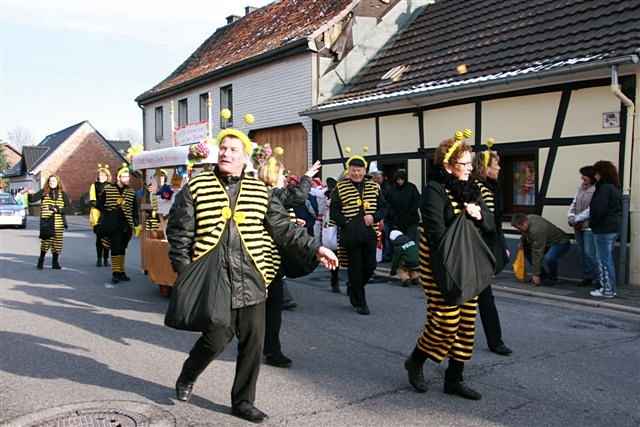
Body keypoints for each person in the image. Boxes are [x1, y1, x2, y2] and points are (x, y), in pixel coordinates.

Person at [166, 129, 337, 423]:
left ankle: (243, 401)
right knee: (217, 336)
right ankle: (189, 373)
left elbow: (283, 228)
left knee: (253, 342)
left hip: (252, 274)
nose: (226, 153)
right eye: (223, 148)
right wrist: (186, 271)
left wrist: (317, 247)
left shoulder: (260, 190)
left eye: (233, 149)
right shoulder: (196, 186)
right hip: (213, 275)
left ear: (244, 156)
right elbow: (180, 232)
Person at [404, 131, 494, 400]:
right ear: (447, 165)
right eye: (464, 164)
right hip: (438, 264)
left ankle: (454, 379)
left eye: (470, 164)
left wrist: (478, 216)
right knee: (446, 321)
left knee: (466, 322)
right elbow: (435, 232)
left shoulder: (473, 188)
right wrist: (463, 216)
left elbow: (490, 222)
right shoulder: (434, 190)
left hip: (468, 262)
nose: (469, 169)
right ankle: (416, 360)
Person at [330, 155, 385, 315]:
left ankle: (353, 286)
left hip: (370, 233)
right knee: (355, 268)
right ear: (349, 171)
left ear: (364, 171)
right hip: (350, 234)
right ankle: (360, 303)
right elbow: (334, 211)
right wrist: (345, 223)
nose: (356, 173)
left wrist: (374, 217)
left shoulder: (374, 186)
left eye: (359, 170)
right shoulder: (340, 187)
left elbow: (384, 207)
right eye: (353, 170)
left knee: (370, 266)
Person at [471, 147, 512, 356]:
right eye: (496, 164)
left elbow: (494, 224)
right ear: (485, 167)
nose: (499, 167)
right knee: (471, 301)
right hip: (476, 251)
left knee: (485, 298)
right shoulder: (478, 188)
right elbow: (484, 223)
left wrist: (501, 245)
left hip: (484, 250)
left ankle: (495, 341)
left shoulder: (491, 187)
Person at [97, 164, 141, 285]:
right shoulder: (108, 189)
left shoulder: (131, 192)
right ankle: (115, 273)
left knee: (122, 249)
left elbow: (134, 210)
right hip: (113, 224)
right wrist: (111, 210)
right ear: (118, 177)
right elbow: (99, 205)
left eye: (128, 177)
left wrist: (136, 224)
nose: (127, 179)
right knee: (115, 248)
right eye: (125, 176)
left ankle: (121, 272)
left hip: (127, 225)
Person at [589, 161, 622, 298]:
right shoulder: (613, 188)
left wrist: (592, 223)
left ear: (601, 173)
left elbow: (599, 210)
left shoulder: (604, 188)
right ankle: (609, 288)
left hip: (603, 229)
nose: (595, 176)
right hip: (612, 228)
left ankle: (607, 289)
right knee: (606, 259)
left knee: (603, 260)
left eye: (596, 172)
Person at [511, 213, 570, 286]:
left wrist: (536, 274)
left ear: (525, 223)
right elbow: (525, 232)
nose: (518, 230)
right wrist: (522, 241)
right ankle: (543, 276)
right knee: (526, 251)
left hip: (560, 242)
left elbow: (537, 253)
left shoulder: (536, 230)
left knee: (549, 258)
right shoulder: (528, 218)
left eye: (519, 228)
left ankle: (552, 278)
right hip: (547, 242)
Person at [30, 175, 70, 270]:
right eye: (50, 181)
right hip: (47, 222)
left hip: (58, 223)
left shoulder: (63, 194)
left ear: (58, 182)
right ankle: (41, 259)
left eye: (54, 180)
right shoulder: (44, 192)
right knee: (46, 242)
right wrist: (30, 193)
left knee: (57, 243)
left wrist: (58, 209)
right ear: (48, 182)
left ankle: (55, 262)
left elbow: (69, 208)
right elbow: (32, 199)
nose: (52, 182)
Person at [567, 166, 597, 287]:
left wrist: (576, 218)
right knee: (582, 253)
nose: (581, 178)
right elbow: (573, 203)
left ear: (590, 177)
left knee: (590, 253)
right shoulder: (580, 188)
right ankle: (587, 276)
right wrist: (570, 215)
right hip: (578, 226)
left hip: (589, 227)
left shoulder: (595, 190)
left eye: (584, 175)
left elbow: (591, 209)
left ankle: (599, 278)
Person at [385, 169, 420, 244]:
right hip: (397, 221)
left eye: (401, 179)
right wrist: (393, 215)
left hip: (411, 221)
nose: (399, 181)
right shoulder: (392, 190)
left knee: (411, 242)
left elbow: (417, 201)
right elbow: (388, 204)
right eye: (398, 179)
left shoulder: (411, 187)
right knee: (399, 243)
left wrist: (410, 213)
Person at [89, 164, 112, 267]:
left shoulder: (111, 186)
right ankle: (99, 258)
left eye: (104, 175)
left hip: (108, 215)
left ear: (107, 176)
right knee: (99, 238)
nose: (102, 177)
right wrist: (102, 207)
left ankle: (106, 259)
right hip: (97, 214)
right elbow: (92, 200)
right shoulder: (94, 185)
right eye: (100, 175)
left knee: (107, 238)